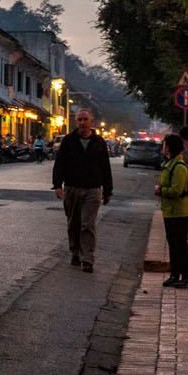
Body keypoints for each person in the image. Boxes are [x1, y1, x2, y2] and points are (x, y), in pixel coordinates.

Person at [52, 109, 113, 272]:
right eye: (79, 119)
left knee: (87, 224)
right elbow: (59, 164)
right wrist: (57, 185)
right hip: (72, 188)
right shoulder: (68, 141)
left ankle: (87, 259)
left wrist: (108, 191)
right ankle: (75, 252)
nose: (82, 122)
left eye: (85, 119)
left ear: (91, 121)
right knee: (73, 223)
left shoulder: (99, 142)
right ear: (76, 121)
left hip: (93, 190)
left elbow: (105, 168)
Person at [156, 134, 188, 288]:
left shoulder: (179, 167)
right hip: (170, 211)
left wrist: (161, 190)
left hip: (181, 212)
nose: (162, 147)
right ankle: (174, 274)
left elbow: (176, 190)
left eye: (164, 144)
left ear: (169, 147)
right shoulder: (168, 164)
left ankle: (187, 278)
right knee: (173, 244)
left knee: (181, 245)